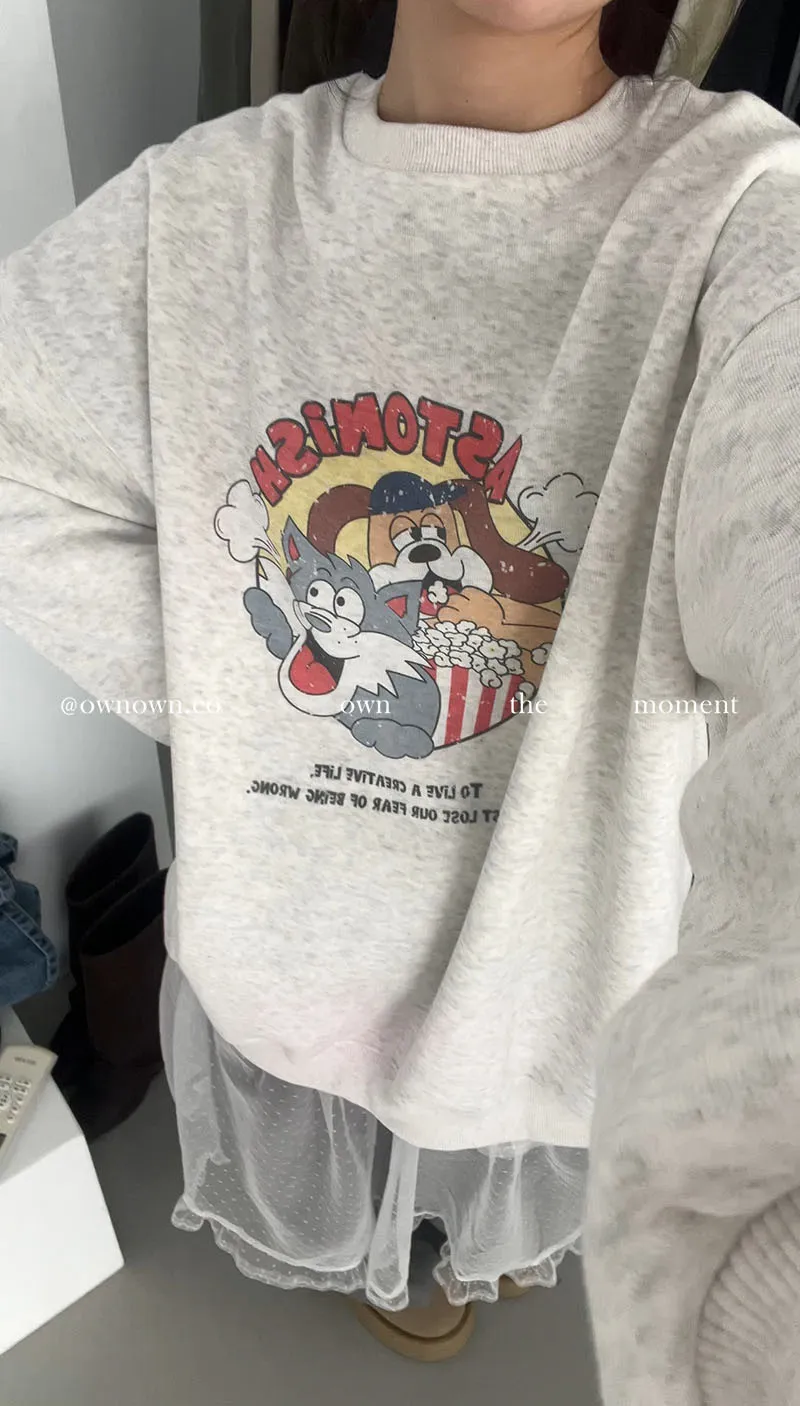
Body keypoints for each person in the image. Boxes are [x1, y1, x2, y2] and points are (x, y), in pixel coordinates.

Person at [2, 0, 800, 1388]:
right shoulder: (199, 206)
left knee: (503, 1181)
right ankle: (422, 1244)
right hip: (288, 975)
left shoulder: (748, 215)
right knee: (368, 1148)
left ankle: (463, 1247)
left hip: (559, 999)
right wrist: (239, 688)